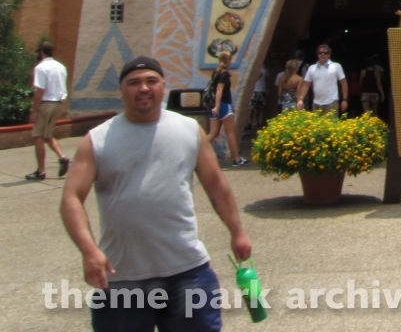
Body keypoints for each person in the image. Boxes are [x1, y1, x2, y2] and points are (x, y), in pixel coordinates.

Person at [60, 56, 252, 331]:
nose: (144, 88)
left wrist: (238, 232)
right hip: (122, 276)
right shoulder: (97, 140)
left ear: (164, 86)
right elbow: (71, 198)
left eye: (151, 81)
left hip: (187, 272)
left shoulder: (188, 130)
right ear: (122, 90)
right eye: (134, 83)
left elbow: (216, 185)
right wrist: (89, 251)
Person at [24, 41, 71, 180]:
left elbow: (40, 90)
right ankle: (63, 158)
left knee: (37, 136)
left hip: (46, 104)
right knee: (47, 135)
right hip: (58, 104)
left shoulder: (41, 67)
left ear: (41, 52)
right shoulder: (61, 67)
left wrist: (34, 111)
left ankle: (41, 171)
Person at [206, 52, 249, 167]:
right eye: (230, 59)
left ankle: (195, 152)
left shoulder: (216, 72)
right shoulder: (224, 74)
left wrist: (215, 106)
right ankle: (237, 159)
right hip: (223, 105)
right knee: (230, 132)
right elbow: (219, 90)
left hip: (214, 105)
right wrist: (217, 106)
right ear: (228, 60)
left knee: (213, 133)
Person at [298, 44, 347, 116]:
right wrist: (301, 99)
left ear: (329, 55)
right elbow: (306, 84)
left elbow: (344, 83)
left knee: (331, 126)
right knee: (316, 126)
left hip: (331, 102)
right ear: (317, 55)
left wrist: (345, 100)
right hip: (316, 102)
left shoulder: (336, 66)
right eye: (320, 53)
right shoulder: (312, 68)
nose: (322, 54)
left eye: (325, 53)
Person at [246, 64, 268, 131]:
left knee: (259, 108)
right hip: (254, 91)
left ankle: (257, 122)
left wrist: (267, 88)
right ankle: (250, 123)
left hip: (262, 90)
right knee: (251, 108)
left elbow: (267, 79)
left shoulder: (265, 70)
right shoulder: (253, 69)